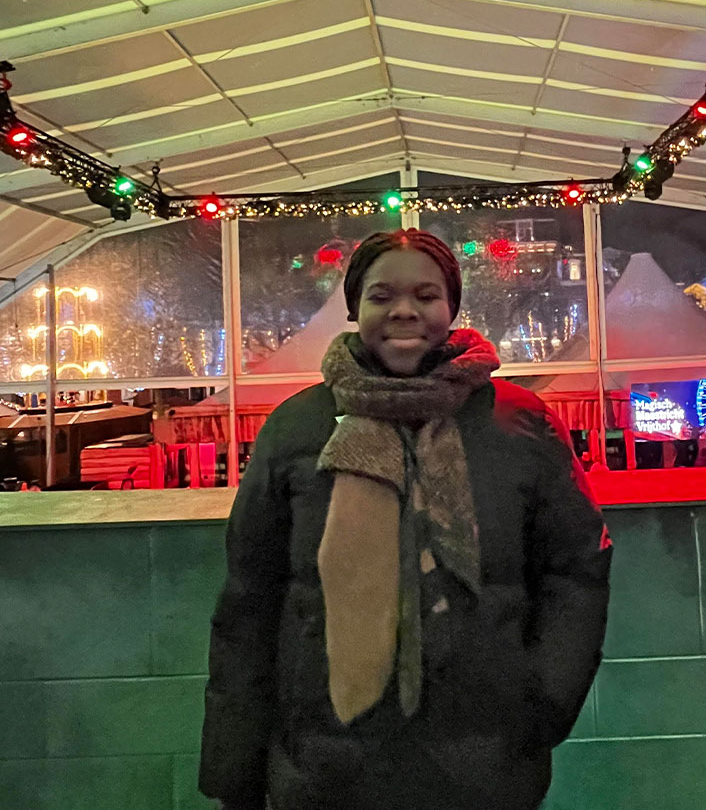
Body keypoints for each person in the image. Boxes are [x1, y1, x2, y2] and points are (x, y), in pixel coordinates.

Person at [198, 229, 613, 810]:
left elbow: (575, 569)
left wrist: (543, 701)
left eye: (425, 295)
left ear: (451, 307)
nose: (404, 311)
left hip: (484, 761)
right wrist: (235, 772)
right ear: (354, 307)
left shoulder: (519, 424)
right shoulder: (297, 428)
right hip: (324, 763)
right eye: (381, 295)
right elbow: (251, 598)